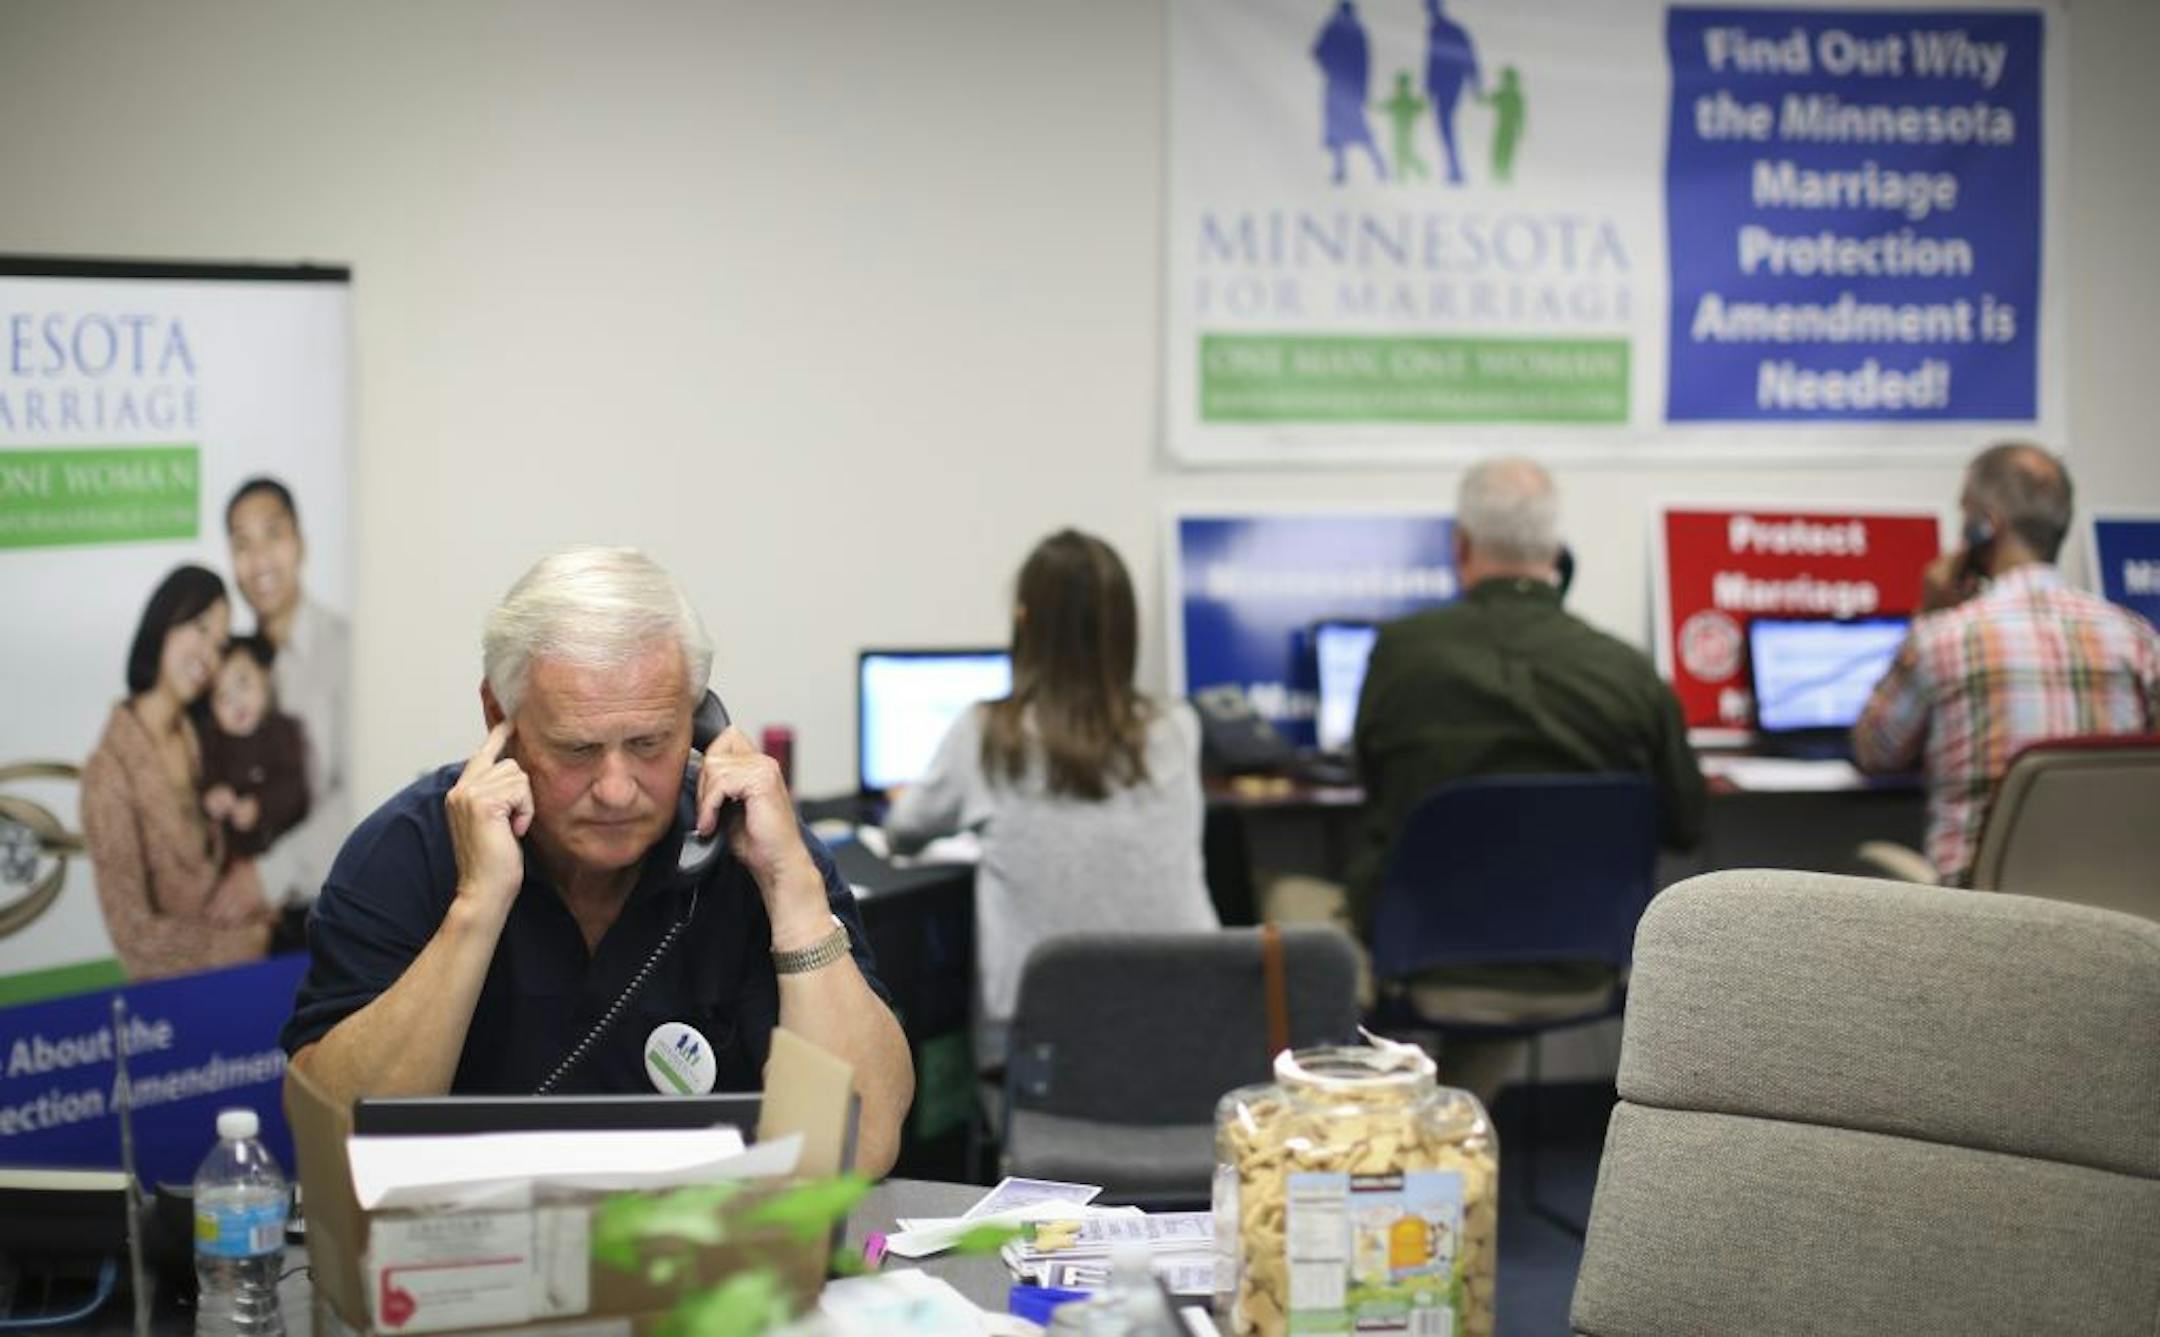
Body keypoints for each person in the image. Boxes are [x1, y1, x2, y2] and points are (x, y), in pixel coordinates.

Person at [281, 548, 913, 1174]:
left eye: (649, 744)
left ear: (699, 723)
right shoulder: (404, 850)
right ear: (500, 717)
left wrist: (792, 892)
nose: (616, 789)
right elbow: (336, 1145)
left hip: (713, 1253)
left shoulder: (761, 847)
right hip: (474, 1259)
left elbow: (865, 1146)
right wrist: (477, 905)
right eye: (578, 749)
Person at [1278, 458, 1703, 1102]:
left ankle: (1357, 1138)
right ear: (1556, 553)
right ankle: (1451, 1129)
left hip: (1421, 954)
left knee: (1282, 895)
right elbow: (1687, 822)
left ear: (1461, 547)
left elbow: (1373, 786)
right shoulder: (1629, 673)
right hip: (1579, 960)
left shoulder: (1403, 653)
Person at [885, 530, 1218, 1066]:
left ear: (1024, 620)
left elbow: (905, 830)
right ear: (1125, 629)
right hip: (1185, 1037)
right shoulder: (1179, 728)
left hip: (1042, 1055)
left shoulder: (989, 732)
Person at [1854, 444, 2160, 886]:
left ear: (1985, 526)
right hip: (2111, 915)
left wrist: (1926, 612)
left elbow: (1875, 752)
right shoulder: (2138, 640)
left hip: (1981, 922)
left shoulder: (1944, 638)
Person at [80, 566, 273, 980]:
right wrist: (247, 943)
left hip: (249, 986)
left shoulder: (204, 735)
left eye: (219, 643)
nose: (209, 655)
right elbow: (133, 934)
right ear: (166, 618)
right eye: (200, 628)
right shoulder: (108, 773)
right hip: (171, 1008)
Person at [225, 477, 350, 916]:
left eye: (273, 535)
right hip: (245, 916)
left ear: (301, 544)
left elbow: (359, 789)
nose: (259, 561)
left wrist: (267, 876)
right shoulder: (229, 665)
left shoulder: (347, 649)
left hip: (329, 905)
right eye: (242, 545)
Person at [199, 633, 313, 861]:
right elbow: (206, 780)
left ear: (264, 678)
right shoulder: (215, 743)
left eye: (243, 684)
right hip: (238, 858)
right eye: (223, 697)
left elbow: (297, 787)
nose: (236, 702)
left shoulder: (284, 730)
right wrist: (213, 797)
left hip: (286, 850)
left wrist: (261, 807)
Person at [1312, 0, 1388, 186]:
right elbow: (1317, 51)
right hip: (1338, 86)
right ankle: (1341, 169)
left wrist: (1362, 90)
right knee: (1337, 129)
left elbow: (1364, 64)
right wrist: (1329, 65)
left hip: (1349, 89)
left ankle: (1379, 165)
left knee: (1359, 130)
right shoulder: (1334, 30)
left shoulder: (1355, 32)